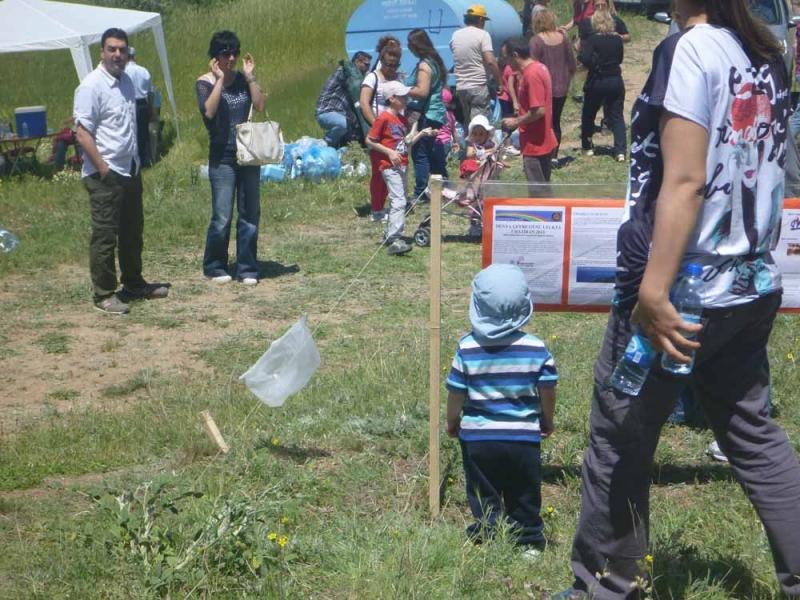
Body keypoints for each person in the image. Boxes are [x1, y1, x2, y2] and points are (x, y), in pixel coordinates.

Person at [554, 1, 800, 598]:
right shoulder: (764, 53)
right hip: (749, 284)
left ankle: (606, 587)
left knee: (620, 436)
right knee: (751, 432)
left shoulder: (694, 50)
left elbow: (685, 179)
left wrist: (653, 289)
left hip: (683, 291)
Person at [445, 263, 557, 552]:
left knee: (484, 491)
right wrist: (547, 419)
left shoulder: (467, 348)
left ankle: (487, 534)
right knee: (524, 491)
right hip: (523, 437)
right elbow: (547, 388)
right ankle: (528, 541)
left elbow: (456, 391)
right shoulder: (536, 348)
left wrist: (452, 420)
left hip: (478, 438)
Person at [73, 28, 169, 315]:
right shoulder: (91, 86)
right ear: (101, 52)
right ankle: (104, 294)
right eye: (112, 49)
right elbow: (81, 133)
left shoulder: (127, 81)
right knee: (105, 236)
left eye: (122, 50)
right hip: (105, 173)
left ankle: (134, 284)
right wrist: (103, 168)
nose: (117, 54)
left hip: (130, 169)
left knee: (132, 232)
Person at [195, 31, 265, 285]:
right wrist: (219, 81)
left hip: (248, 153)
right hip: (222, 155)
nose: (231, 58)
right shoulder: (204, 82)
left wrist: (250, 77)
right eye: (226, 54)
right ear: (215, 56)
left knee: (250, 212)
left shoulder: (243, 79)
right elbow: (209, 112)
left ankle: (247, 267)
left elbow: (259, 105)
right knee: (222, 215)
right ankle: (215, 265)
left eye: (234, 53)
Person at [365, 80, 435, 256]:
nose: (406, 99)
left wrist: (421, 132)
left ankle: (390, 233)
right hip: (389, 165)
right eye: (402, 96)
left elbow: (406, 142)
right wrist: (389, 152)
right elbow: (370, 140)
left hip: (402, 164)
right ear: (392, 98)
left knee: (401, 198)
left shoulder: (401, 119)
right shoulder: (383, 118)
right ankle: (394, 238)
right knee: (399, 201)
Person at [501, 38, 557, 189]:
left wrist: (516, 122)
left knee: (537, 190)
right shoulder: (540, 68)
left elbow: (539, 111)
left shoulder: (531, 74)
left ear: (515, 55)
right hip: (541, 139)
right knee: (543, 187)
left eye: (506, 58)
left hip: (535, 143)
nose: (506, 63)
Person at [360, 37, 403, 222]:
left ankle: (394, 205)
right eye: (388, 64)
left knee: (395, 171)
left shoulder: (398, 77)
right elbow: (364, 103)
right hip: (379, 131)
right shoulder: (372, 77)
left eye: (395, 64)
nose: (391, 68)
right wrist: (376, 125)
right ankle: (377, 209)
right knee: (379, 172)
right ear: (381, 59)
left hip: (396, 132)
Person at [578, 8, 626, 162]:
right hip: (615, 79)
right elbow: (619, 59)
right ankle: (620, 151)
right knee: (617, 115)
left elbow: (584, 59)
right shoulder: (618, 39)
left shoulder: (593, 39)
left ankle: (587, 146)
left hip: (597, 80)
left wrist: (582, 54)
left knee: (589, 113)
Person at [407, 28, 448, 202]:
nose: (408, 48)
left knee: (420, 153)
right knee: (430, 151)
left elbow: (422, 92)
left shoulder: (424, 65)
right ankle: (441, 185)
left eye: (410, 44)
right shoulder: (434, 61)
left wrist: (403, 90)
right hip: (436, 112)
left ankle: (421, 192)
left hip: (427, 113)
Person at [530, 8, 576, 161]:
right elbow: (572, 63)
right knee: (555, 121)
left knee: (543, 122)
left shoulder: (536, 41)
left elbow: (532, 66)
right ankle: (554, 155)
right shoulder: (563, 37)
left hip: (543, 88)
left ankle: (544, 153)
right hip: (562, 87)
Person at [450, 4, 503, 124]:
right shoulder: (483, 34)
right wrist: (499, 82)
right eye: (484, 20)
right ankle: (477, 143)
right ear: (480, 19)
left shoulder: (456, 35)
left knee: (468, 123)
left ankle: (468, 142)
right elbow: (490, 61)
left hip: (462, 87)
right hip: (478, 85)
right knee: (479, 124)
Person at [315, 51, 371, 148]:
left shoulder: (354, 76)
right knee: (342, 124)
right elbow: (356, 81)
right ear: (357, 61)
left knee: (353, 132)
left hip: (339, 113)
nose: (368, 68)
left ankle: (336, 148)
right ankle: (325, 143)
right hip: (326, 112)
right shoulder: (345, 72)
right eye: (366, 64)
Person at [124, 47, 154, 167]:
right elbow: (150, 92)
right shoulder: (144, 71)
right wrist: (151, 108)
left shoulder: (124, 72)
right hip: (143, 103)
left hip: (130, 104)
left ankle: (134, 161)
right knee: (144, 132)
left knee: (132, 133)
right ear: (134, 57)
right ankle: (146, 159)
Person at [460, 114, 496, 179]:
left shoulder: (489, 143)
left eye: (481, 134)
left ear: (487, 134)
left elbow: (495, 150)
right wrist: (485, 151)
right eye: (475, 134)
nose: (477, 137)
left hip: (486, 167)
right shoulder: (472, 143)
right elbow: (469, 154)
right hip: (474, 167)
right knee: (467, 164)